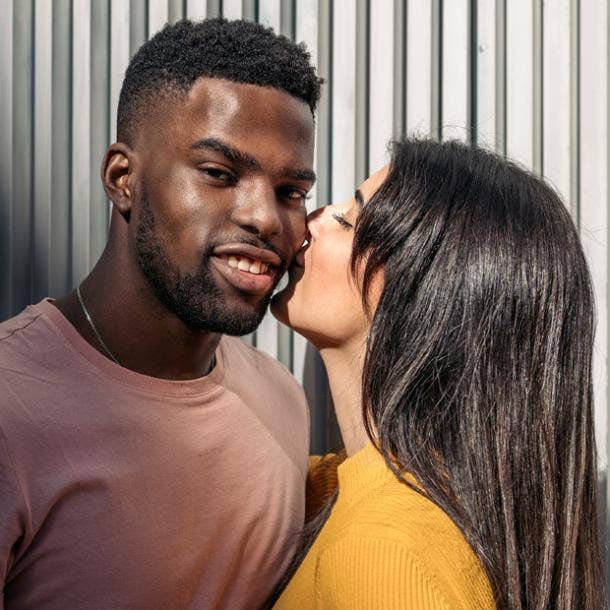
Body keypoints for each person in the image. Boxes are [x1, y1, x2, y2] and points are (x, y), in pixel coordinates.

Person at [0, 18, 320, 609]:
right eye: (221, 175)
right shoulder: (10, 405)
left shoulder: (282, 399)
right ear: (124, 179)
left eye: (291, 191)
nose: (266, 219)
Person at [270, 138, 607, 609]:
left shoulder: (383, 553)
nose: (312, 220)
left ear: (422, 295)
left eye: (347, 220)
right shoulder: (350, 491)